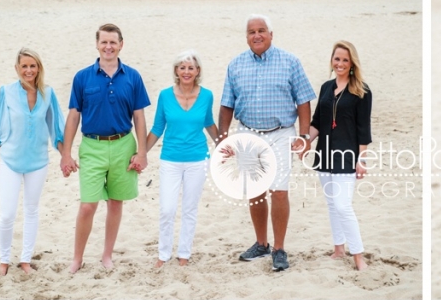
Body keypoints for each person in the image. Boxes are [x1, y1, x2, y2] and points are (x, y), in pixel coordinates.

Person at [218, 14, 316, 272]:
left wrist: (304, 136)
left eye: (262, 30)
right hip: (247, 134)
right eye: (252, 32)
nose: (257, 35)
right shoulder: (235, 64)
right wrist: (222, 137)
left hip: (281, 133)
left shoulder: (290, 61)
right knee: (255, 191)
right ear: (247, 37)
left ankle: (279, 249)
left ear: (271, 34)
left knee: (279, 190)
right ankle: (261, 243)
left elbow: (304, 101)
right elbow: (227, 104)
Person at [60, 23, 150, 273]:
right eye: (104, 42)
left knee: (116, 203)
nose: (108, 46)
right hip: (92, 147)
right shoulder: (82, 77)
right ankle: (77, 258)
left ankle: (107, 255)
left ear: (121, 44)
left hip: (123, 145)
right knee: (88, 204)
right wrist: (66, 153)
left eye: (113, 42)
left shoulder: (133, 76)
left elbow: (139, 117)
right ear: (97, 44)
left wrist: (142, 152)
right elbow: (73, 116)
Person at [0, 47, 65, 276]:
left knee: (31, 210)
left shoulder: (47, 93)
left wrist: (65, 156)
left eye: (33, 66)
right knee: (7, 214)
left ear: (38, 68)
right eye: (24, 66)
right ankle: (4, 260)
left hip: (38, 162)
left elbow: (55, 130)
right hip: (10, 161)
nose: (28, 70)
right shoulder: (6, 92)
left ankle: (25, 259)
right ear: (17, 68)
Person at [144, 50, 219, 268]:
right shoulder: (165, 95)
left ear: (198, 71)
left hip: (197, 159)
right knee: (167, 209)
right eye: (182, 67)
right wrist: (141, 153)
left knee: (189, 209)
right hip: (170, 159)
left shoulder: (206, 96)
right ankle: (163, 254)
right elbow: (158, 128)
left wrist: (223, 144)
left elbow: (208, 122)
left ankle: (184, 253)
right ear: (176, 70)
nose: (186, 71)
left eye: (191, 68)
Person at [307, 40, 371, 271]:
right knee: (333, 205)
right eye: (337, 59)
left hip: (346, 156)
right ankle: (338, 248)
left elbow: (364, 130)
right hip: (324, 155)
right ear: (332, 61)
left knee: (344, 206)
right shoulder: (325, 87)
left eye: (345, 59)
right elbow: (317, 122)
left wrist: (361, 159)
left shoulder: (361, 91)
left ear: (352, 62)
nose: (340, 63)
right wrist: (304, 141)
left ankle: (358, 256)